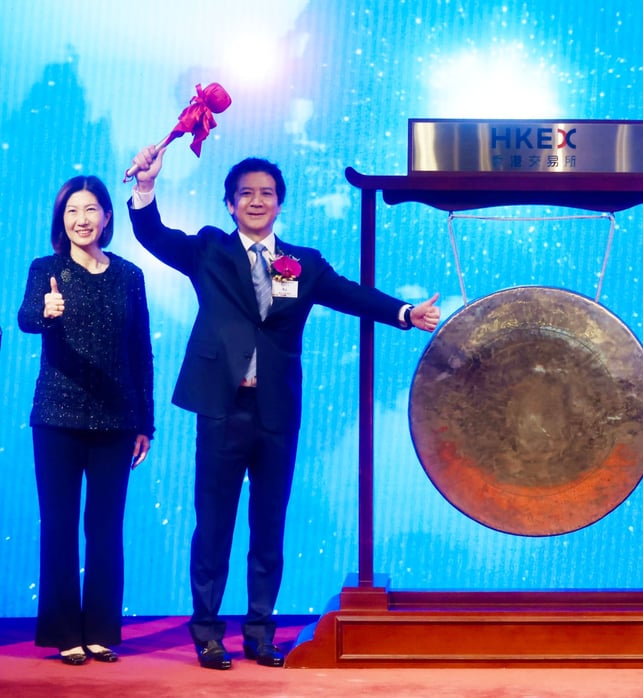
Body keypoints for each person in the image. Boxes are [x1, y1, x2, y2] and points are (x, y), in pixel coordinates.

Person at [126, 146, 441, 670]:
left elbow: (350, 294)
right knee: (214, 525)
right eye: (245, 193)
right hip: (222, 408)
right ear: (229, 204)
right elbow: (153, 236)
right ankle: (206, 632)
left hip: (277, 411)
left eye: (266, 194)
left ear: (280, 204)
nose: (256, 201)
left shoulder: (304, 263)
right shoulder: (208, 250)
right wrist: (146, 188)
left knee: (269, 525)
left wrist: (406, 312)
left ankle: (259, 633)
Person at [18, 175, 154, 665]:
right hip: (55, 416)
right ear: (62, 220)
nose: (82, 219)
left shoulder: (128, 275)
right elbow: (26, 318)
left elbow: (141, 351)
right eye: (72, 210)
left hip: (117, 420)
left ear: (107, 217)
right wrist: (46, 310)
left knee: (105, 527)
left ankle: (99, 629)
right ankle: (63, 633)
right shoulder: (45, 270)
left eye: (91, 209)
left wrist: (146, 422)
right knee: (58, 525)